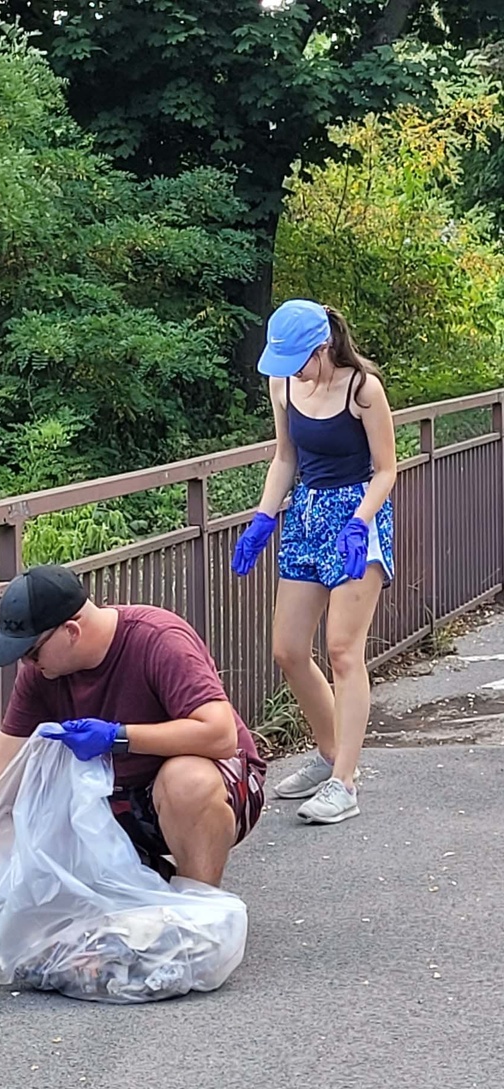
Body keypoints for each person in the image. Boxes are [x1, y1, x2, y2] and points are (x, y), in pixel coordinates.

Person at [0, 563, 266, 904]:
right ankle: (141, 901)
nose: (26, 663)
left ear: (71, 631)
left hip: (218, 789)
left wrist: (119, 736)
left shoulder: (157, 638)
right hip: (121, 802)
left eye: (32, 652)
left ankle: (200, 915)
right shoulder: (42, 674)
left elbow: (219, 735)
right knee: (26, 813)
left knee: (186, 780)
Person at [231, 298, 396, 824]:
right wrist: (263, 517)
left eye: (297, 360)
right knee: (287, 648)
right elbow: (286, 457)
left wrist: (361, 521)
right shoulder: (283, 384)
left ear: (322, 348)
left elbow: (387, 469)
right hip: (305, 515)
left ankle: (345, 782)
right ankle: (328, 756)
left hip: (356, 519)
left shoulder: (361, 388)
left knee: (344, 651)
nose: (290, 372)